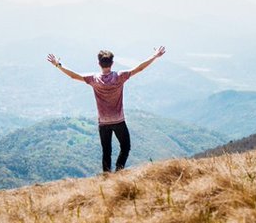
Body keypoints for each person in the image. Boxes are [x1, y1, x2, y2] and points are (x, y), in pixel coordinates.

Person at [46, 46, 166, 174]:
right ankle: (119, 172)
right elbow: (140, 68)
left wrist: (58, 65)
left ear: (99, 63)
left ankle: (106, 178)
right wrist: (154, 56)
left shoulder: (94, 79)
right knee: (125, 147)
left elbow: (73, 76)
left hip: (103, 123)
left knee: (106, 151)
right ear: (112, 63)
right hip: (119, 120)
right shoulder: (119, 77)